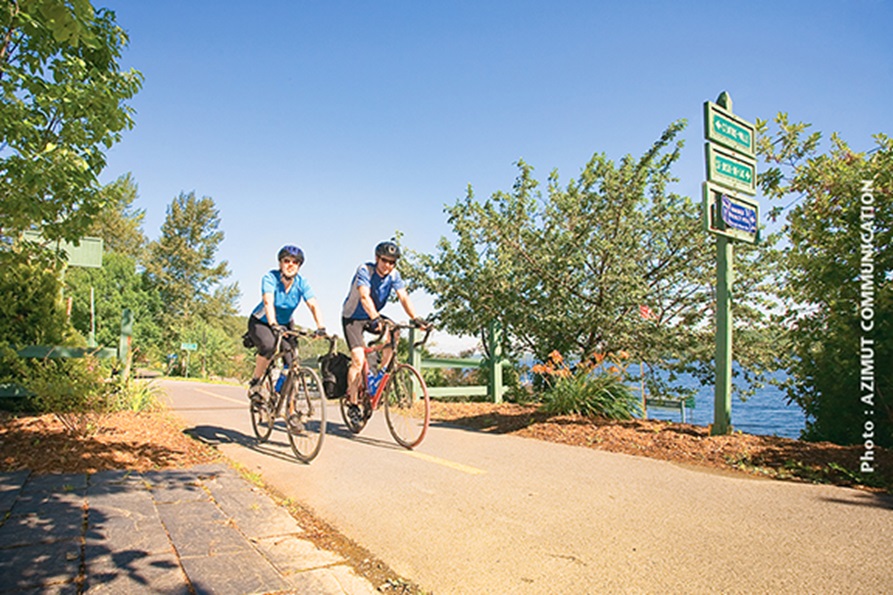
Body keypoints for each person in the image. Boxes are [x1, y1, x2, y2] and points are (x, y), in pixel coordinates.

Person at [341, 241, 428, 423]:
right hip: (353, 317)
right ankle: (353, 403)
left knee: (395, 332)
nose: (388, 265)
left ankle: (377, 377)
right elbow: (364, 296)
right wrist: (375, 317)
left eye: (392, 262)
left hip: (374, 315)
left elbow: (403, 297)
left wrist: (415, 318)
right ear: (377, 258)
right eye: (384, 261)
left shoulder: (394, 275)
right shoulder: (365, 270)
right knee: (357, 359)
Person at [246, 245, 326, 402]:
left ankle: (288, 406)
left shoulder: (301, 283)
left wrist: (320, 327)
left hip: (285, 323)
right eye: (286, 261)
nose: (290, 265)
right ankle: (255, 382)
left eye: (295, 262)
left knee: (292, 362)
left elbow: (313, 305)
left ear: (299, 266)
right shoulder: (270, 278)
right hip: (262, 322)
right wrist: (273, 324)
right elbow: (268, 302)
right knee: (268, 346)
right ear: (280, 263)